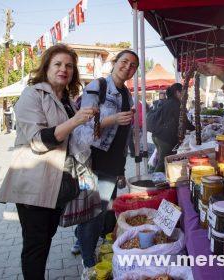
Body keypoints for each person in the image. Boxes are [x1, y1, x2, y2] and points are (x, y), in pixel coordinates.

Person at [0, 44, 96, 280]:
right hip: (34, 183)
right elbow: (38, 142)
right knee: (35, 246)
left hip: (58, 184)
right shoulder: (33, 94)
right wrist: (75, 122)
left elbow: (73, 138)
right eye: (58, 64)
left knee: (46, 238)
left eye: (69, 66)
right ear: (47, 67)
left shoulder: (67, 100)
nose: (64, 69)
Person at [70, 49, 138, 279]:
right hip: (91, 161)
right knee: (94, 214)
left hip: (111, 164)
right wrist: (112, 119)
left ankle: (80, 242)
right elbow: (83, 127)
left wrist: (121, 169)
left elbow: (122, 139)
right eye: (124, 61)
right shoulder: (97, 87)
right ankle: (89, 264)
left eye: (133, 65)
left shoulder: (127, 95)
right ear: (115, 63)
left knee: (97, 212)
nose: (127, 67)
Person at [148, 83, 195, 172]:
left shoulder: (168, 101)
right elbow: (184, 121)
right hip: (164, 138)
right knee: (163, 162)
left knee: (161, 161)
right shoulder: (176, 104)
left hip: (157, 135)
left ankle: (161, 179)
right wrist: (195, 129)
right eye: (184, 92)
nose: (186, 95)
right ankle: (155, 182)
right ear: (178, 92)